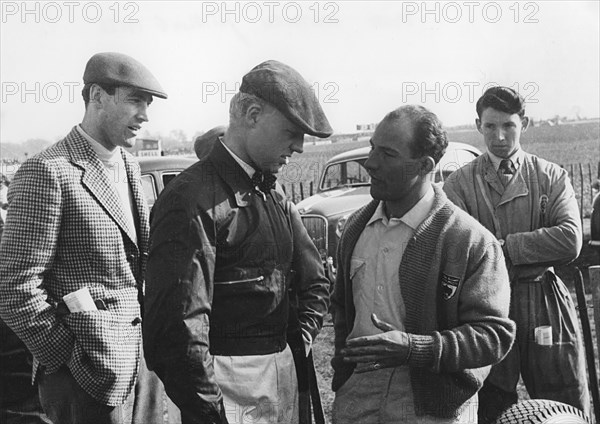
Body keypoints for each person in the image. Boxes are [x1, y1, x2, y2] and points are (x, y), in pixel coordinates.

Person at [143, 60, 332, 424]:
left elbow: (312, 283)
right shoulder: (191, 199)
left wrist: (299, 341)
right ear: (252, 113)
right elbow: (176, 332)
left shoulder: (270, 197)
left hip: (280, 376)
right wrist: (213, 412)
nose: (300, 147)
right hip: (228, 391)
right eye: (291, 130)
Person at [0, 52, 180, 424]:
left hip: (143, 368)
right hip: (84, 379)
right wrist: (66, 357)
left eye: (148, 104)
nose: (145, 115)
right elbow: (13, 287)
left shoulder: (128, 165)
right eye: (134, 100)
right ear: (97, 96)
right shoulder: (48, 172)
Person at [331, 105, 516, 423]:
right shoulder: (354, 229)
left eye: (387, 154)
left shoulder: (470, 241)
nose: (370, 163)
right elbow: (341, 309)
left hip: (433, 403)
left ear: (425, 165)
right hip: (357, 394)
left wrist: (414, 349)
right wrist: (345, 373)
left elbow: (493, 335)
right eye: (373, 148)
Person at [443, 86, 590, 422]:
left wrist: (505, 246)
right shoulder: (459, 185)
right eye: (490, 126)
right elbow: (455, 248)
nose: (499, 136)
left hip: (545, 298)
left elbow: (570, 239)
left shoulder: (550, 176)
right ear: (478, 125)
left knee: (563, 394)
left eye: (508, 125)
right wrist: (531, 245)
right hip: (487, 303)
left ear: (524, 122)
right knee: (490, 398)